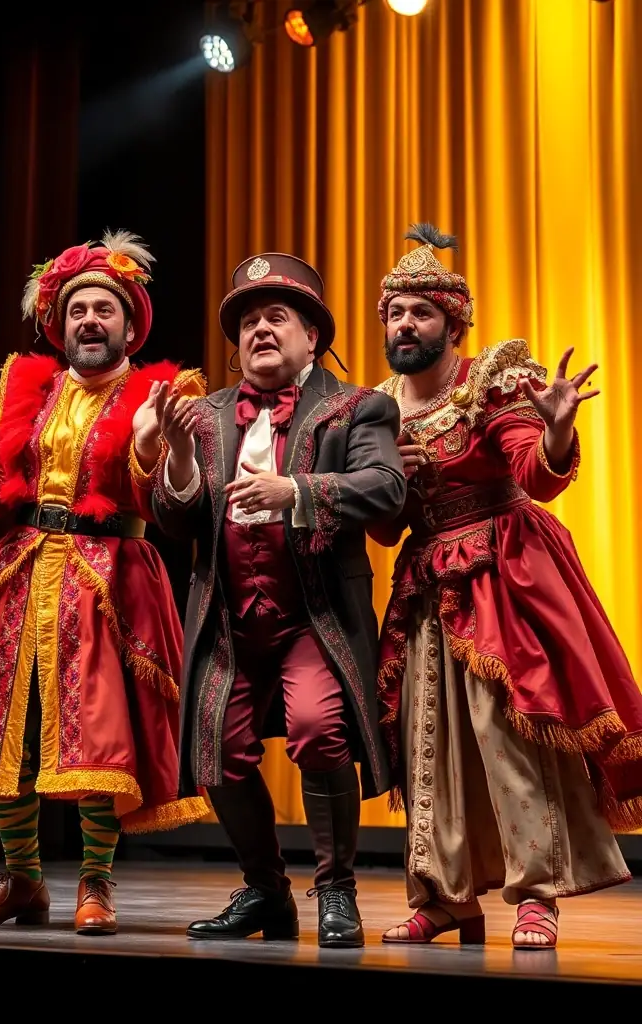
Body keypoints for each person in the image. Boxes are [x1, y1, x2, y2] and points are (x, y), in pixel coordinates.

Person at [0, 230, 209, 934]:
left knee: (98, 736)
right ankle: (23, 880)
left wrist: (153, 446)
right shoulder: (27, 393)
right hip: (24, 574)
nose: (91, 320)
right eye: (78, 310)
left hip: (110, 580)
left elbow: (165, 504)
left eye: (105, 310)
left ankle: (96, 883)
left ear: (129, 325)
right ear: (58, 326)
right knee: (13, 735)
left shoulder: (160, 396)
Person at [370, 223, 642, 950]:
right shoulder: (377, 408)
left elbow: (533, 475)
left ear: (452, 323)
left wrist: (553, 432)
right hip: (427, 580)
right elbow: (385, 527)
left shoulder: (490, 382)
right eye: (394, 313)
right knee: (426, 742)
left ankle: (537, 893)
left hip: (503, 573)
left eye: (420, 313)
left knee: (509, 735)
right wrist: (380, 478)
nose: (405, 325)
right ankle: (442, 895)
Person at [151, 252, 407, 948]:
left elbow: (387, 488)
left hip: (314, 617)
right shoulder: (202, 418)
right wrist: (176, 459)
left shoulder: (358, 407)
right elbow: (176, 520)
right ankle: (265, 891)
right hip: (230, 620)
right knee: (218, 752)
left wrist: (296, 492)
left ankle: (337, 891)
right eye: (249, 322)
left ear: (311, 337)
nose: (260, 330)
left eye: (276, 317)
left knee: (320, 733)